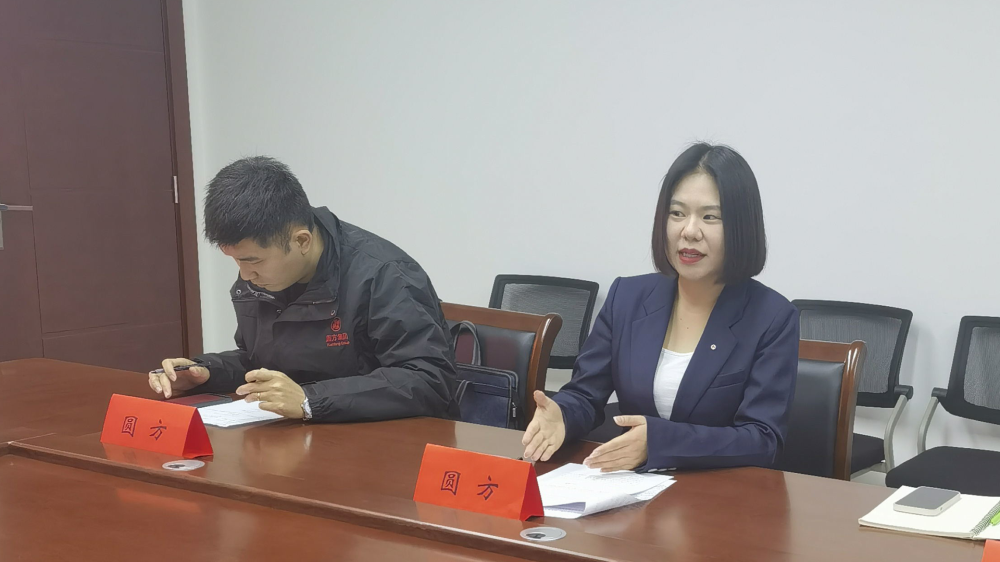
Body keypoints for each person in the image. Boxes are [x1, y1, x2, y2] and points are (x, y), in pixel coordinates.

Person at [522, 143, 798, 472]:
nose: (689, 231)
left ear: (741, 227)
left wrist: (660, 442)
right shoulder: (627, 297)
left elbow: (762, 439)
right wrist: (562, 415)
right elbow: (585, 394)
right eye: (677, 213)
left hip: (719, 493)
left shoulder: (772, 317)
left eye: (710, 217)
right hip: (631, 487)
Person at [148, 156, 460, 423]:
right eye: (236, 261)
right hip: (304, 436)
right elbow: (260, 362)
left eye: (253, 261)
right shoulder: (262, 278)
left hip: (388, 443)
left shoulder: (384, 275)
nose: (244, 275)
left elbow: (428, 379)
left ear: (301, 241)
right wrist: (205, 372)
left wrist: (310, 400)